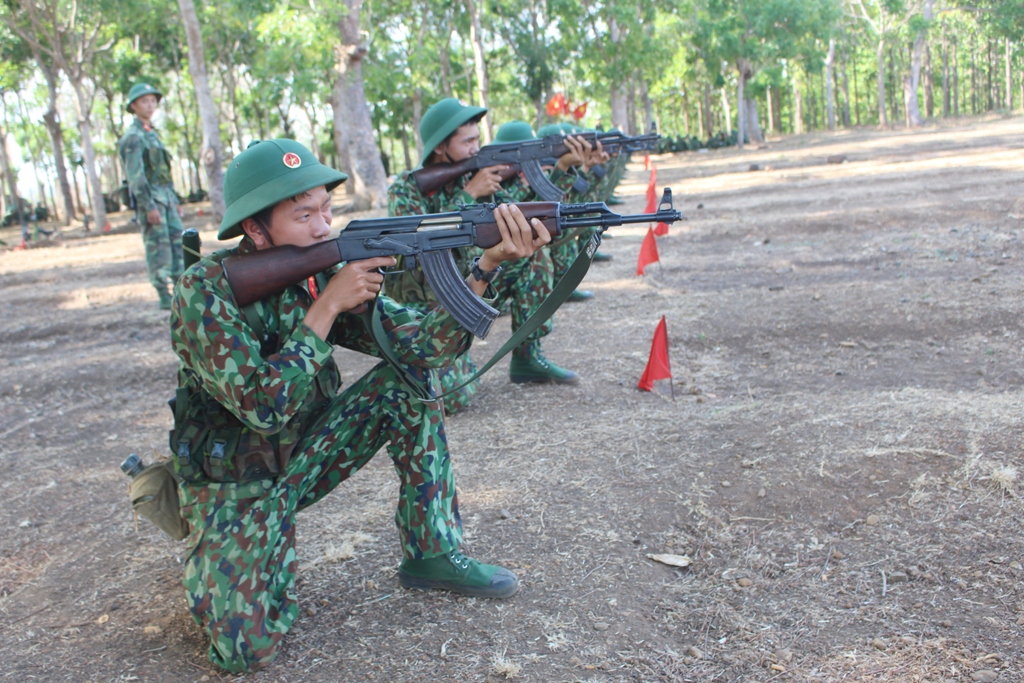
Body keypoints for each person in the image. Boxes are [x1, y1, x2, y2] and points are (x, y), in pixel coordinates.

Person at [169, 138, 548, 672]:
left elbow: (422, 347)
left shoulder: (323, 268)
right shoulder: (202, 293)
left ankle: (431, 550)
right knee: (243, 651)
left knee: (408, 381)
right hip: (236, 481)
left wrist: (486, 266)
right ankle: (235, 543)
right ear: (254, 229)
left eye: (326, 209)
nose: (323, 227)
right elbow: (262, 406)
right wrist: (325, 308)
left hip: (306, 457)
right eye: (304, 216)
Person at [386, 99, 580, 414]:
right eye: (468, 141)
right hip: (421, 303)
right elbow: (417, 246)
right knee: (454, 396)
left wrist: (562, 170)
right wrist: (468, 195)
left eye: (478, 139)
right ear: (440, 147)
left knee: (534, 259)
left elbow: (524, 215)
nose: (478, 148)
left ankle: (527, 357)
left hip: (472, 284)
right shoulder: (406, 189)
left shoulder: (476, 175)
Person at [118, 82, 184, 309]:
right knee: (158, 247)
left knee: (177, 244)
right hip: (152, 200)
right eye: (144, 101)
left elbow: (165, 172)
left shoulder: (153, 134)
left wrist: (175, 200)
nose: (150, 105)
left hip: (166, 197)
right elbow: (136, 176)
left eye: (153, 101)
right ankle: (163, 294)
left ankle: (181, 290)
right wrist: (148, 205)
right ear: (133, 106)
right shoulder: (133, 137)